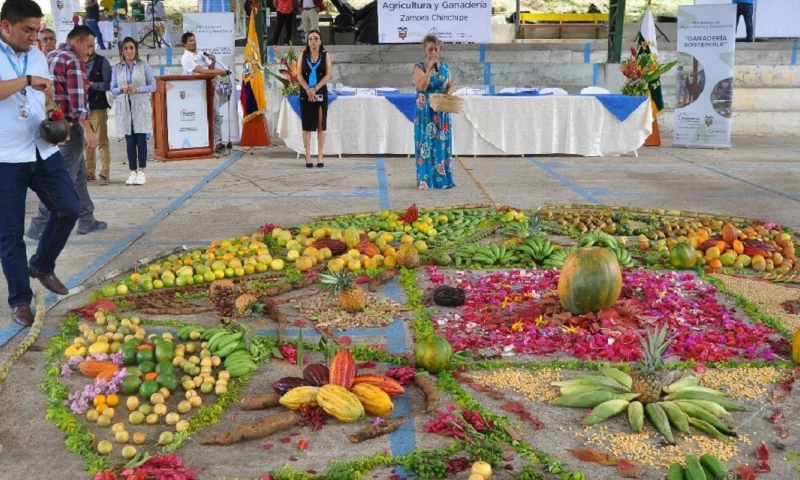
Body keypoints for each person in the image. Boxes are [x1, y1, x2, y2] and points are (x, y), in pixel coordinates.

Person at [0, 0, 80, 326]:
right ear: (5, 26)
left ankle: (42, 265)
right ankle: (20, 301)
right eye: (27, 30)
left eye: (38, 29)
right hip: (6, 156)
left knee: (69, 208)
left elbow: (44, 94)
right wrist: (28, 80)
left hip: (41, 148)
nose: (35, 36)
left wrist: (54, 116)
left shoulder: (36, 55)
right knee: (10, 233)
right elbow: (23, 85)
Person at [27, 25, 107, 240]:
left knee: (79, 174)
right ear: (76, 42)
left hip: (53, 124)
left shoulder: (52, 55)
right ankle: (39, 225)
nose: (90, 51)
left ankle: (87, 219)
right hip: (69, 127)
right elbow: (78, 101)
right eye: (88, 45)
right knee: (63, 180)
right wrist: (89, 131)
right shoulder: (74, 62)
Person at [412, 34, 455, 190]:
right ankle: (426, 180)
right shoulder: (419, 67)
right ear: (425, 51)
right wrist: (430, 69)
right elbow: (422, 86)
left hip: (441, 111)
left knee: (441, 144)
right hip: (426, 113)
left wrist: (448, 93)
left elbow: (451, 84)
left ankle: (442, 179)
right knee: (426, 144)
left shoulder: (445, 67)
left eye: (436, 49)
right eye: (430, 49)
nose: (433, 52)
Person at [111, 37, 155, 185]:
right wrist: (122, 89)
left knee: (141, 140)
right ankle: (132, 171)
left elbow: (152, 85)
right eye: (126, 48)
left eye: (131, 48)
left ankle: (142, 171)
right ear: (122, 51)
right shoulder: (117, 68)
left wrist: (138, 89)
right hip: (125, 107)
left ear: (135, 50)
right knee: (129, 141)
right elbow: (113, 88)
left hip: (140, 106)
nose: (129, 51)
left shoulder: (143, 66)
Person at [180, 32, 228, 153]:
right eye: (190, 41)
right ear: (184, 44)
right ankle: (203, 143)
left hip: (209, 87)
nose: (193, 42)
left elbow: (209, 70)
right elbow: (201, 71)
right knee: (203, 117)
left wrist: (213, 62)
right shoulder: (186, 59)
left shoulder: (201, 54)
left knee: (216, 115)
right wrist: (219, 72)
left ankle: (218, 143)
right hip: (196, 92)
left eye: (194, 40)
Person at [297, 29, 332, 168]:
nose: (313, 41)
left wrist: (315, 88)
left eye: (316, 38)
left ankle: (320, 156)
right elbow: (299, 75)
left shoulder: (325, 55)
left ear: (320, 41)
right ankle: (307, 155)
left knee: (320, 125)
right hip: (306, 92)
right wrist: (308, 89)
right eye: (310, 39)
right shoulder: (303, 54)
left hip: (320, 91)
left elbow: (328, 75)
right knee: (306, 126)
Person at [84, 41, 112, 184]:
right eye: (87, 44)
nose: (89, 48)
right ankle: (89, 172)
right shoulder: (76, 61)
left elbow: (109, 84)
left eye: (91, 45)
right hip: (82, 108)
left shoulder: (102, 61)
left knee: (101, 140)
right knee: (86, 142)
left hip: (98, 107)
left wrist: (93, 85)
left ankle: (105, 172)